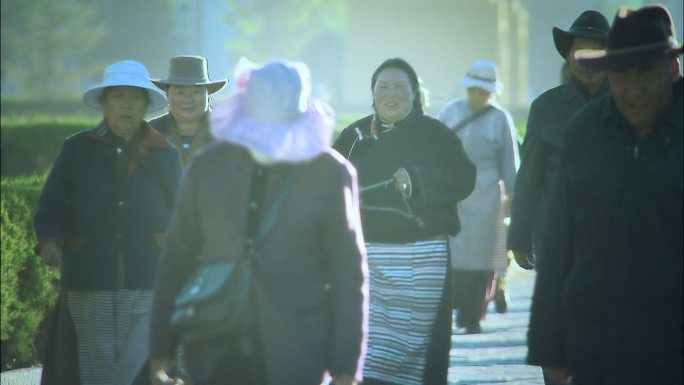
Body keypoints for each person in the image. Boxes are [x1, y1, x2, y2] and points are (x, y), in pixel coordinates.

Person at [149, 60, 368, 385]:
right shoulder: (209, 165)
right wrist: (160, 350)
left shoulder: (329, 172)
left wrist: (345, 367)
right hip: (214, 344)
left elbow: (348, 274)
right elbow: (176, 260)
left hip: (298, 348)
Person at [527, 5, 683, 385]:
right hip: (599, 340)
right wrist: (551, 346)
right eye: (620, 74)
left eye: (645, 71)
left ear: (673, 70)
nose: (633, 88)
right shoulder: (585, 132)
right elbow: (560, 242)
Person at [34, 60, 182, 385]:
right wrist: (49, 240)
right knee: (96, 359)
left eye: (134, 97)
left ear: (146, 104)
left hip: (148, 273)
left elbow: (181, 214)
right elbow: (51, 204)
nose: (126, 104)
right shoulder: (76, 149)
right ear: (104, 103)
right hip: (90, 273)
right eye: (118, 96)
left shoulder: (165, 154)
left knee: (139, 356)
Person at [333, 57, 476, 385]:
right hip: (367, 264)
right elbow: (327, 185)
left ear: (415, 94)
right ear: (373, 94)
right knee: (367, 348)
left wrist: (418, 180)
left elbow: (464, 177)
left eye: (399, 86)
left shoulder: (435, 135)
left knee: (417, 355)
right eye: (382, 87)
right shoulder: (354, 136)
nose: (390, 93)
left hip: (422, 262)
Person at [507, 10, 609, 271]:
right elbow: (530, 176)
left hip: (613, 238)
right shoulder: (546, 107)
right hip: (555, 237)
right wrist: (519, 237)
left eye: (596, 51)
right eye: (580, 51)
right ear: (568, 55)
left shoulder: (627, 104)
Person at [438, 60, 519, 333]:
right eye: (474, 90)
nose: (478, 96)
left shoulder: (500, 119)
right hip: (454, 194)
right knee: (456, 254)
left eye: (483, 91)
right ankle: (460, 306)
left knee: (484, 258)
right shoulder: (451, 112)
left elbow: (509, 163)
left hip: (488, 196)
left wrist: (513, 198)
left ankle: (474, 313)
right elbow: (434, 149)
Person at [149, 55, 227, 167]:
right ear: (167, 95)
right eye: (180, 92)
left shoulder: (227, 134)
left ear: (208, 95)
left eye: (196, 92)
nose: (188, 99)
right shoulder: (150, 133)